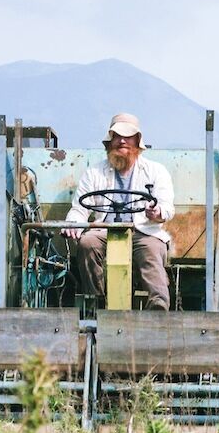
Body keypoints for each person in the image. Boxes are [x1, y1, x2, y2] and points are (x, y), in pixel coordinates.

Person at [64, 112, 175, 310]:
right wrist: (73, 224)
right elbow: (79, 208)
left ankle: (158, 306)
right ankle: (95, 303)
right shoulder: (94, 173)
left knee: (152, 250)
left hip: (143, 230)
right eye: (117, 136)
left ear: (137, 141)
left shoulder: (156, 171)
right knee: (87, 243)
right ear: (110, 141)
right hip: (105, 229)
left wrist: (157, 213)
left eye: (128, 136)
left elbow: (167, 207)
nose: (122, 140)